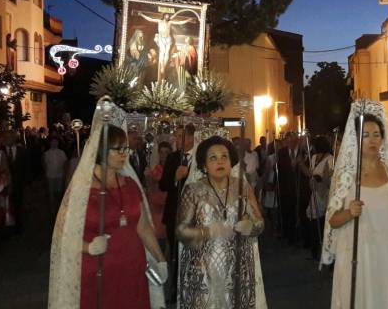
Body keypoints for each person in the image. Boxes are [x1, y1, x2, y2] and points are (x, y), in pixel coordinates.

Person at [49, 99, 167, 308]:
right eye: (117, 149)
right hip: (97, 270)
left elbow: (143, 227)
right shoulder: (82, 190)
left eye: (126, 149)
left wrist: (160, 259)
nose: (124, 154)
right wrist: (88, 247)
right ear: (102, 150)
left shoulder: (130, 184)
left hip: (132, 268)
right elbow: (62, 236)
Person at [322, 102, 388, 309]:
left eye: (376, 134)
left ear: (383, 138)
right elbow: (332, 220)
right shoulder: (346, 177)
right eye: (365, 135)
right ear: (356, 139)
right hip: (357, 260)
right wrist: (350, 212)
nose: (372, 140)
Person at [176, 135, 266, 308]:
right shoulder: (193, 191)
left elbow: (259, 223)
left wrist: (251, 227)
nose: (220, 162)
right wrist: (207, 232)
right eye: (213, 158)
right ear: (203, 165)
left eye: (224, 156)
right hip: (203, 269)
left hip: (237, 269)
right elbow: (181, 231)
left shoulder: (242, 187)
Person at [160, 124, 194, 304]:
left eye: (180, 136)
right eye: (176, 136)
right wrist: (175, 177)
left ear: (190, 137)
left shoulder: (200, 157)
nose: (176, 140)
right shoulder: (173, 158)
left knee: (193, 253)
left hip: (194, 215)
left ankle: (192, 288)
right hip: (174, 213)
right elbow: (162, 185)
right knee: (175, 252)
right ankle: (176, 289)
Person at [300, 136, 333, 259]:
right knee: (313, 220)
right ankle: (315, 250)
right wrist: (301, 164)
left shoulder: (330, 158)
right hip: (314, 192)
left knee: (323, 221)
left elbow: (329, 177)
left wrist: (320, 178)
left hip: (324, 192)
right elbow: (310, 173)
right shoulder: (313, 157)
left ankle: (325, 250)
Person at [1, 130, 29, 234]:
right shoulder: (0, 151)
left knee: (17, 205)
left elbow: (26, 167)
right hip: (3, 184)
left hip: (18, 183)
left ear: (14, 138)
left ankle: (18, 226)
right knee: (5, 206)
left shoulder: (22, 151)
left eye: (11, 137)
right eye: (6, 137)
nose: (9, 139)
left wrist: (26, 183)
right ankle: (5, 227)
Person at [43, 137, 68, 219]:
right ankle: (52, 210)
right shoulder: (47, 153)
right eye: (53, 142)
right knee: (51, 193)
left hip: (59, 175)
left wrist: (64, 174)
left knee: (58, 192)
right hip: (50, 175)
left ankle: (58, 208)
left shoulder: (61, 152)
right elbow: (45, 165)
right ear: (50, 143)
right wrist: (46, 175)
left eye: (56, 142)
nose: (54, 143)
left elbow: (65, 163)